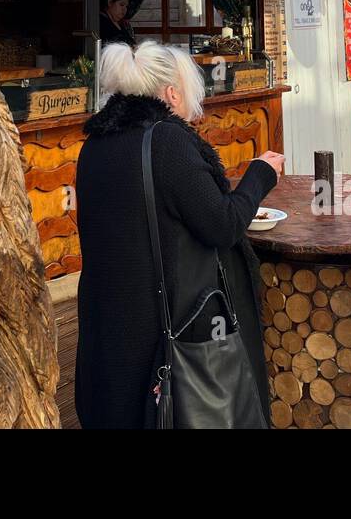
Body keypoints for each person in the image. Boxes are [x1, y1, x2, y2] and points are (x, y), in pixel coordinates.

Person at [74, 41, 282, 429]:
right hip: (160, 332)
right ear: (171, 93)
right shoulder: (167, 142)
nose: (194, 107)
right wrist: (259, 175)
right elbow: (222, 224)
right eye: (190, 93)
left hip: (104, 327)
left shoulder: (94, 144)